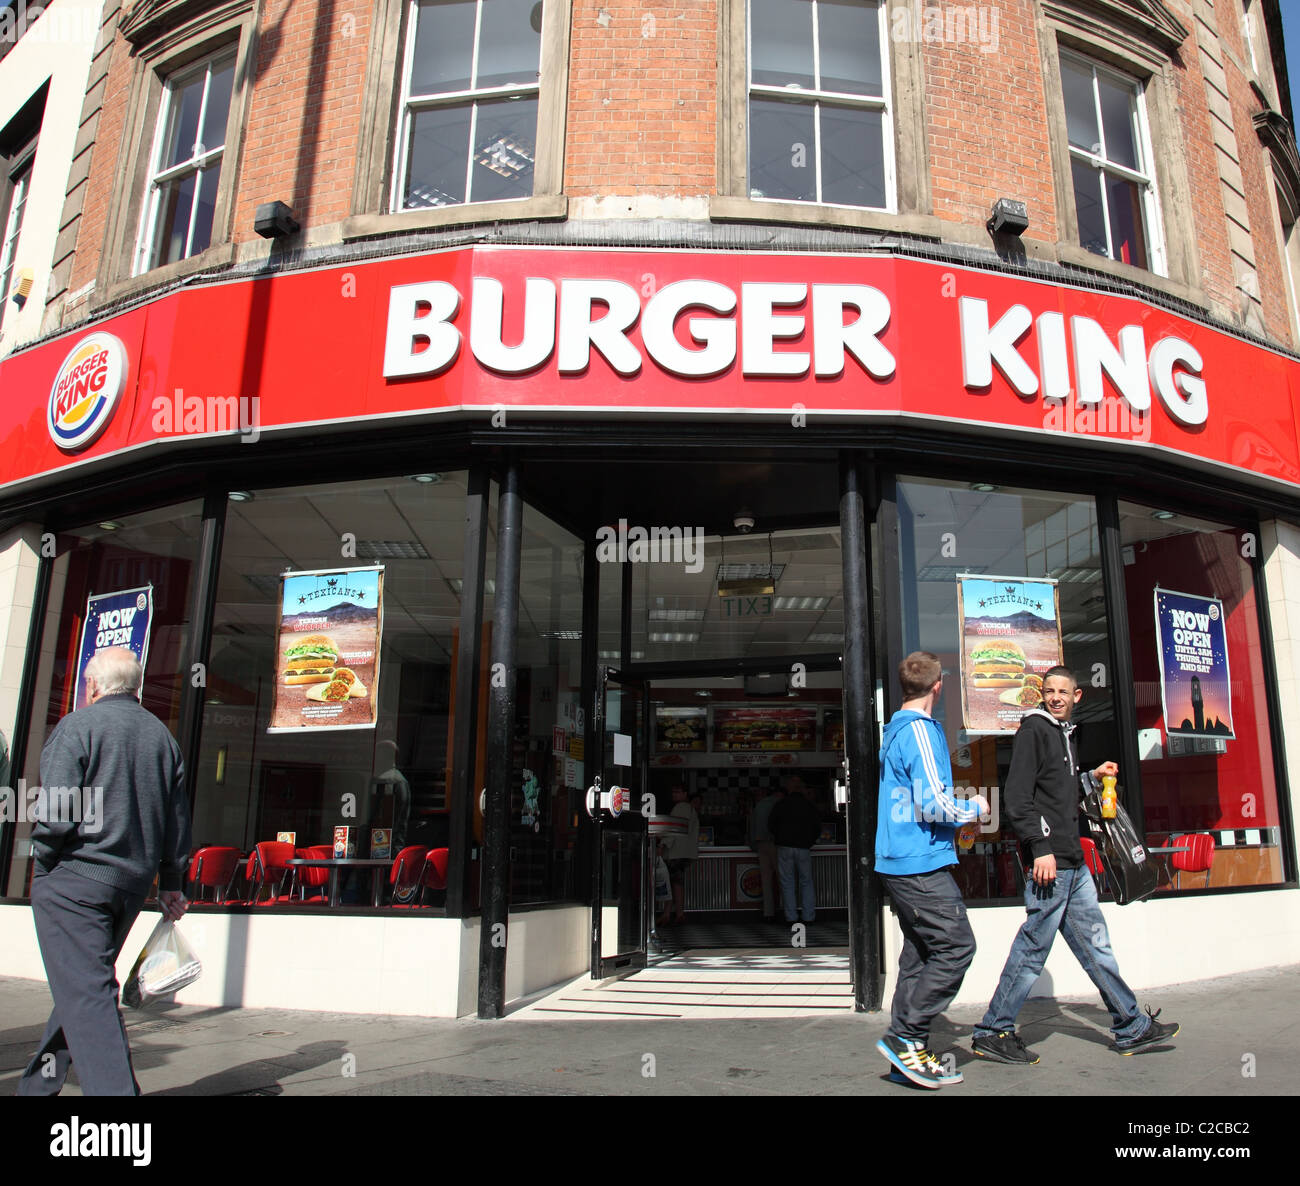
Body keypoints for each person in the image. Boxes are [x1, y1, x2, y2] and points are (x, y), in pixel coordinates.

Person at [971, 666, 1178, 1063]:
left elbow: (1056, 789)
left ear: (1076, 696)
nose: (1055, 697)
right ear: (1041, 694)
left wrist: (1090, 777)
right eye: (1049, 691)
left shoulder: (1065, 735)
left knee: (1096, 945)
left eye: (1063, 691)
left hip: (1073, 861)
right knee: (1033, 948)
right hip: (1051, 862)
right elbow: (1017, 796)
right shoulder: (1034, 731)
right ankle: (993, 1030)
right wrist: (1039, 847)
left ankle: (1130, 1025)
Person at [17, 647, 190, 1096]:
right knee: (84, 990)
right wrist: (172, 882)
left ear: (92, 686)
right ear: (135, 687)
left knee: (88, 997)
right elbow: (177, 822)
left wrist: (44, 860)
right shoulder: (162, 739)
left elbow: (54, 812)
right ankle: (36, 1090)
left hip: (74, 881)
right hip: (129, 886)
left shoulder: (77, 727)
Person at [875, 652, 987, 1089]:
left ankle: (907, 1056)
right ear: (937, 686)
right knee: (957, 947)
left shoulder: (895, 730)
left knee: (921, 954)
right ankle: (906, 1036)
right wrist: (972, 808)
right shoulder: (919, 731)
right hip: (919, 863)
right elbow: (931, 803)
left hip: (905, 861)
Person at [767, 774, 821, 925]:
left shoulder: (781, 804)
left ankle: (791, 917)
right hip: (803, 847)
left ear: (789, 788)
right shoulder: (809, 805)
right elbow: (817, 826)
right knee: (806, 881)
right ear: (802, 788)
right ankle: (808, 916)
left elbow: (771, 825)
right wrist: (809, 841)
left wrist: (780, 837)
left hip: (784, 846)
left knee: (787, 882)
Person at [659, 783, 698, 925]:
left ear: (684, 793)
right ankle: (674, 913)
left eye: (677, 791)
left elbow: (673, 829)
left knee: (671, 883)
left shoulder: (680, 808)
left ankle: (669, 914)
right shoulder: (690, 808)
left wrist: (663, 844)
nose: (674, 794)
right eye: (673, 791)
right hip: (685, 851)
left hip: (676, 852)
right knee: (676, 882)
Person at [748, 781, 783, 922]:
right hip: (776, 844)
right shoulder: (779, 804)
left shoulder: (759, 806)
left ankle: (768, 913)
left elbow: (751, 827)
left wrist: (753, 845)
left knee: (766, 879)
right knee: (782, 879)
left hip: (761, 843)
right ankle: (786, 910)